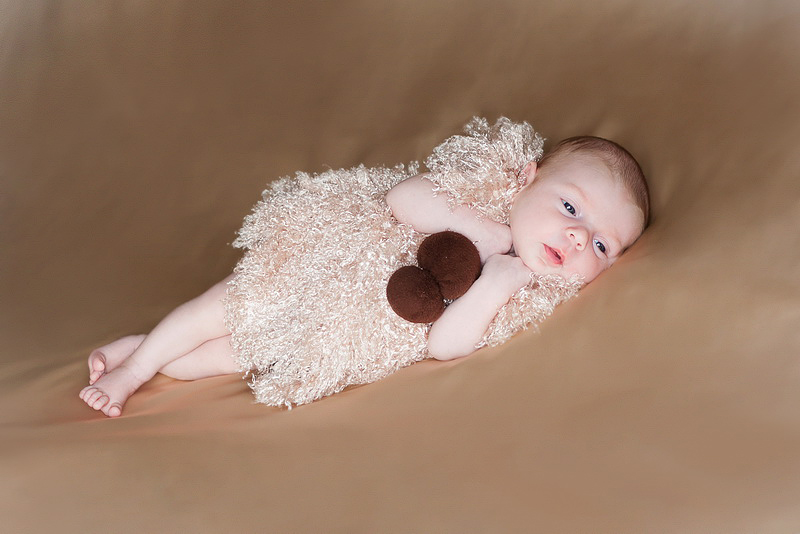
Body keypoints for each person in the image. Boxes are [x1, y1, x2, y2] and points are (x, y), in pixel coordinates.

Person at [79, 117, 649, 417]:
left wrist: (497, 283)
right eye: (570, 208)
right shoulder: (487, 189)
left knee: (226, 357)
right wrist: (486, 236)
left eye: (602, 246)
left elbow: (444, 344)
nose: (578, 237)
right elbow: (405, 198)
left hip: (338, 329)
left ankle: (144, 349)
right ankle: (135, 371)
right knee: (220, 309)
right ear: (528, 178)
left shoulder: (528, 292)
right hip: (321, 261)